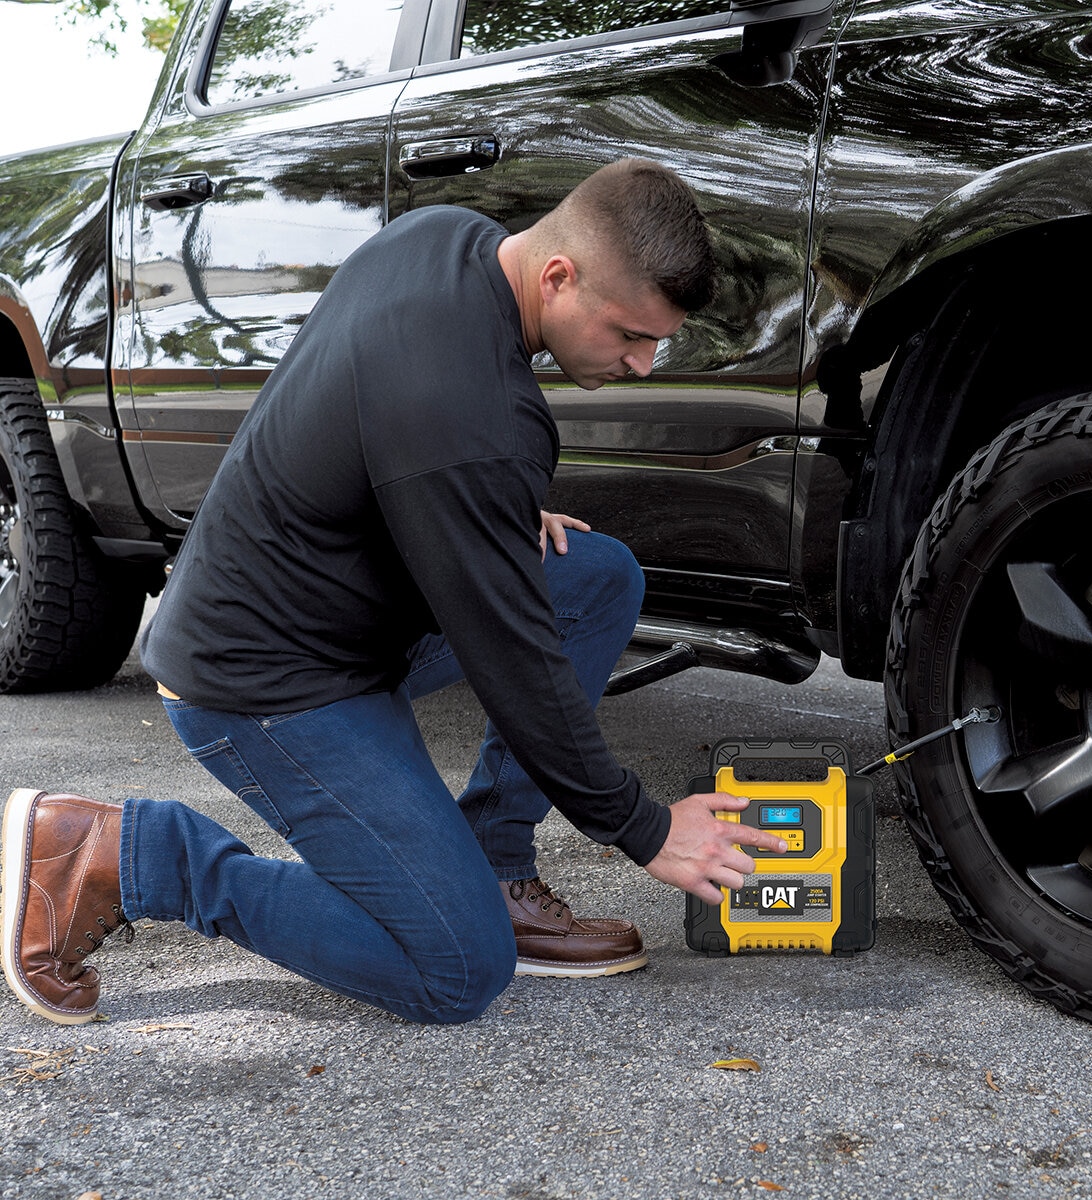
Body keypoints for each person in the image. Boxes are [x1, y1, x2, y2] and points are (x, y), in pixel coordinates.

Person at [1, 158, 789, 1027]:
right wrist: (644, 827)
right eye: (630, 334)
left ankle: (493, 864)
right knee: (456, 968)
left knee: (595, 578)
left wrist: (470, 504)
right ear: (559, 276)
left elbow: (374, 413)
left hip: (323, 611)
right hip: (262, 683)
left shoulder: (444, 236)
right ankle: (128, 855)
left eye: (657, 342)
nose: (641, 364)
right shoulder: (471, 411)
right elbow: (515, 662)